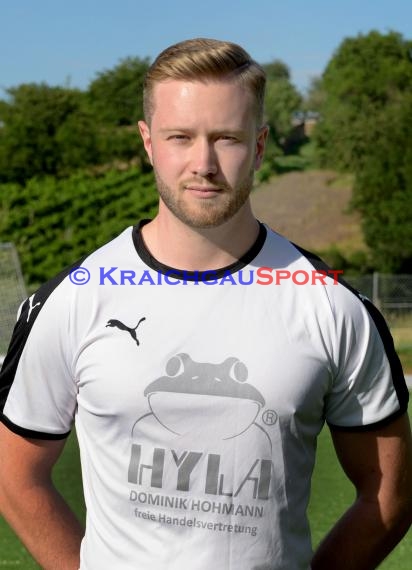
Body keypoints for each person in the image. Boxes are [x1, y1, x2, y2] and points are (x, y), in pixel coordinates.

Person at [0, 38, 411, 570]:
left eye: (227, 138)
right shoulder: (75, 299)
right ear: (148, 143)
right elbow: (14, 477)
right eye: (180, 137)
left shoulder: (332, 305)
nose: (204, 163)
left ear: (260, 145)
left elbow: (390, 493)